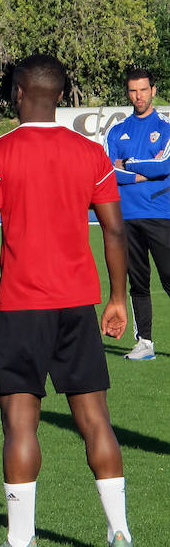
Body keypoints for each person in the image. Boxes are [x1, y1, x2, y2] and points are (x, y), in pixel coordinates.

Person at [0, 53, 136, 547]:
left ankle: (21, 543)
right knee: (96, 418)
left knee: (19, 422)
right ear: (60, 97)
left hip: (21, 307)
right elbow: (115, 230)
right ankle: (119, 537)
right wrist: (117, 297)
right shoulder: (91, 154)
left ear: (17, 93)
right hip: (78, 304)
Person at [104, 67, 170, 362]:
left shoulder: (167, 127)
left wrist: (128, 162)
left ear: (153, 90)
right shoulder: (117, 130)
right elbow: (107, 171)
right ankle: (145, 342)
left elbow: (165, 165)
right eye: (133, 90)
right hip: (126, 216)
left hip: (160, 213)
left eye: (143, 89)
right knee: (137, 282)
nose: (138, 96)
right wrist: (142, 171)